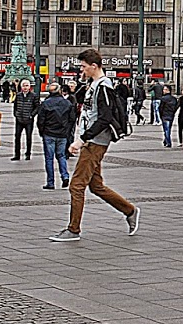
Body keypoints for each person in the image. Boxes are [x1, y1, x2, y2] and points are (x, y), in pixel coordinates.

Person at [51, 48, 139, 242]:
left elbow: (104, 118)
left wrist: (82, 140)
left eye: (83, 67)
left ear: (94, 66)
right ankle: (130, 210)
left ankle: (73, 229)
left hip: (95, 142)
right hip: (91, 140)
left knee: (76, 185)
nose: (81, 70)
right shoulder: (93, 84)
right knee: (96, 185)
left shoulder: (104, 86)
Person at [37, 81, 75, 189]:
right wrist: (67, 131)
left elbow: (41, 120)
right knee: (61, 155)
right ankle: (65, 176)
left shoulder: (46, 103)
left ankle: (50, 182)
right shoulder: (67, 103)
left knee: (49, 158)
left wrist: (42, 131)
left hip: (49, 133)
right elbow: (72, 119)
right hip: (62, 134)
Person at [11, 79, 40, 160]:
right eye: (24, 85)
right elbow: (15, 106)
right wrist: (16, 114)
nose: (25, 87)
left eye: (27, 85)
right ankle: (17, 155)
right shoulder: (18, 95)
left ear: (30, 87)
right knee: (17, 137)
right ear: (21, 86)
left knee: (28, 137)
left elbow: (37, 107)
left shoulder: (34, 96)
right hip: (19, 119)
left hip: (28, 120)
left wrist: (31, 115)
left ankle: (28, 154)